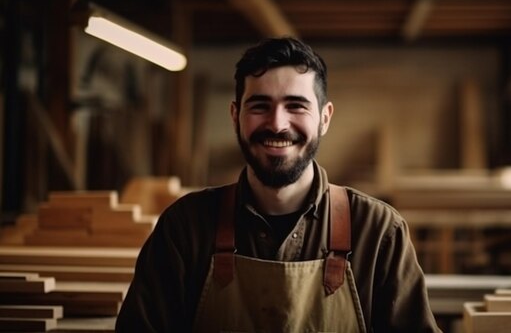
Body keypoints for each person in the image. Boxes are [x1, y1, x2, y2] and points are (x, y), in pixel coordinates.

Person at [116, 37, 441, 332]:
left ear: (325, 118)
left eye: (296, 105)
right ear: (235, 116)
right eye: (260, 106)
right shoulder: (185, 228)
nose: (277, 124)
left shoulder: (379, 232)